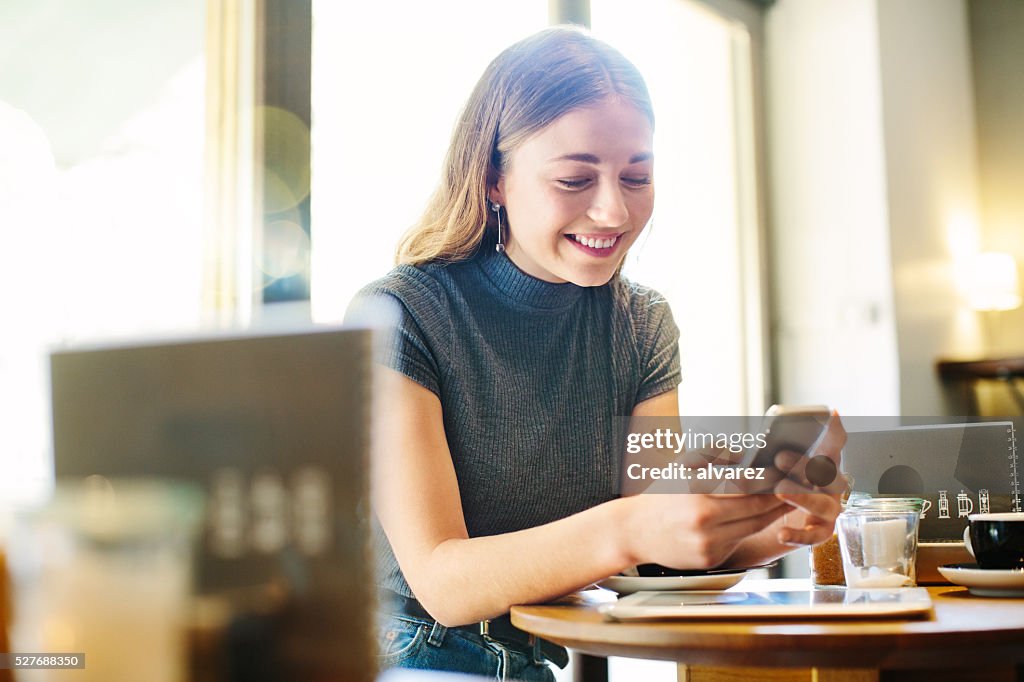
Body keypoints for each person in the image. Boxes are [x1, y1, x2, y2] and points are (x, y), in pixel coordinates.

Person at [347, 26, 845, 681]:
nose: (613, 211)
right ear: (494, 179)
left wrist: (767, 526)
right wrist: (635, 526)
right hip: (406, 652)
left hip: (532, 660)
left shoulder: (642, 322)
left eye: (637, 176)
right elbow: (445, 582)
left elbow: (654, 556)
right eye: (576, 178)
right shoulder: (402, 312)